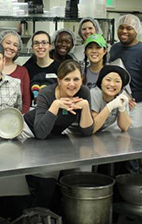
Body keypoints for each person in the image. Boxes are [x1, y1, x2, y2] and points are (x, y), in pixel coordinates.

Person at [22, 59, 94, 210]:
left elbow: (87, 131)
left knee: (75, 171)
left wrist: (86, 107)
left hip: (54, 136)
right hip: (29, 132)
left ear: (82, 80)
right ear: (59, 80)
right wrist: (55, 105)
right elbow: (40, 132)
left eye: (76, 79)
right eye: (67, 79)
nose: (72, 84)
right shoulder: (46, 94)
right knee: (46, 176)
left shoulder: (84, 92)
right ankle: (37, 214)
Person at [0, 30, 31, 113]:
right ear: (0, 44)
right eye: (8, 43)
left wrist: (19, 118)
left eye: (15, 45)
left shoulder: (22, 71)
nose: (11, 47)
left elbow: (26, 102)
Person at [90, 60, 132, 133]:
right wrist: (110, 106)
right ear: (101, 82)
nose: (112, 84)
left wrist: (122, 108)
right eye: (108, 80)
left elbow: (124, 127)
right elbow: (92, 128)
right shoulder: (94, 94)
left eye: (117, 81)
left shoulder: (121, 97)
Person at [24, 31, 61, 108]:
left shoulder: (60, 67)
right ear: (32, 47)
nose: (40, 46)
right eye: (36, 43)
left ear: (50, 46)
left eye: (44, 43)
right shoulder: (27, 70)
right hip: (34, 113)